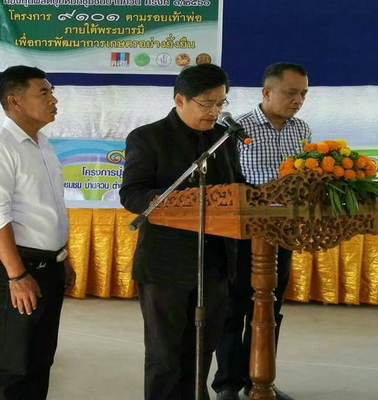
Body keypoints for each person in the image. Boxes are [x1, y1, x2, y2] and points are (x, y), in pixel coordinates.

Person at [120, 63, 245, 400]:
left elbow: (236, 187)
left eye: (220, 103)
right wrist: (167, 200)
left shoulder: (223, 139)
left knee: (202, 349)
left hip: (215, 262)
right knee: (165, 355)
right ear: (180, 100)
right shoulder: (148, 137)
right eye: (207, 103)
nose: (215, 111)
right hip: (166, 264)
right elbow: (131, 193)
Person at [0, 65, 76, 399]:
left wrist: (63, 258)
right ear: (15, 101)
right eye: (43, 93)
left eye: (51, 92)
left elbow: (50, 209)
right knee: (7, 366)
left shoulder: (42, 144)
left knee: (38, 361)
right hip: (17, 268)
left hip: (49, 266)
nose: (53, 100)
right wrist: (16, 276)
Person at [212, 62, 311, 400]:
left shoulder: (302, 130)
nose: (298, 101)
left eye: (303, 94)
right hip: (242, 235)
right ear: (267, 92)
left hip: (283, 234)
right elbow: (225, 183)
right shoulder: (235, 129)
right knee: (235, 309)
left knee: (270, 307)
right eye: (291, 93)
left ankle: (261, 379)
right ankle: (227, 384)